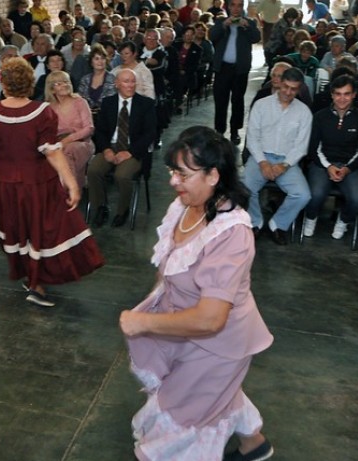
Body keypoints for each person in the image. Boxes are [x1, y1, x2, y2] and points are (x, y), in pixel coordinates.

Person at [120, 126, 274, 461]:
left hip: (218, 343)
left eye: (183, 174)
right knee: (212, 392)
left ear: (214, 175)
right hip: (185, 329)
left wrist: (143, 323)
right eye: (172, 171)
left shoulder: (231, 233)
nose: (174, 182)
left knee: (184, 410)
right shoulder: (184, 206)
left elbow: (210, 319)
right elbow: (169, 269)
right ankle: (254, 444)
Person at [0, 58, 104, 307]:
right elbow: (52, 152)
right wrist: (72, 183)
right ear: (29, 83)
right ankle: (36, 285)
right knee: (40, 230)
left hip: (5, 184)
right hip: (37, 184)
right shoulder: (41, 112)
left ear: (3, 83)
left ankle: (31, 278)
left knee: (18, 229)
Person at [243, 67, 312, 245]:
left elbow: (301, 146)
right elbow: (252, 137)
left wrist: (284, 165)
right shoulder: (261, 105)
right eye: (286, 87)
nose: (288, 92)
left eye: (293, 89)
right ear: (280, 83)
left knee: (303, 194)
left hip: (287, 161)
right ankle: (255, 221)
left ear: (299, 89)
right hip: (261, 157)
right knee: (244, 188)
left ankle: (278, 224)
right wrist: (263, 162)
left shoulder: (304, 112)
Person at [87, 68, 158, 228]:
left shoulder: (146, 104)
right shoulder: (108, 103)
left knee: (122, 175)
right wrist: (106, 149)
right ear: (117, 84)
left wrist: (130, 152)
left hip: (134, 150)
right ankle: (100, 207)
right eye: (126, 81)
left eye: (133, 81)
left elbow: (150, 134)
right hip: (111, 146)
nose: (131, 85)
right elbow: (100, 131)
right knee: (93, 170)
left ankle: (123, 210)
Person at [303, 75, 358, 240]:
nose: (342, 98)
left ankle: (344, 220)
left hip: (349, 166)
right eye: (338, 94)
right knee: (315, 194)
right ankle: (310, 217)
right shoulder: (319, 116)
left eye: (346, 94)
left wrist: (347, 169)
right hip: (322, 163)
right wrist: (328, 166)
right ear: (332, 94)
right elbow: (313, 148)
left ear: (354, 94)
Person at [209, 0, 260, 145]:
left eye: (239, 5)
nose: (236, 8)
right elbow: (212, 36)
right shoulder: (220, 21)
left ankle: (235, 131)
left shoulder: (249, 23)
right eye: (233, 5)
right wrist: (225, 25)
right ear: (228, 7)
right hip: (223, 68)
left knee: (238, 101)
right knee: (220, 101)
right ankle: (219, 131)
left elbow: (256, 38)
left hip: (240, 69)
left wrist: (247, 26)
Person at [45, 70, 96, 190]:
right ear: (52, 89)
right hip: (57, 144)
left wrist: (66, 140)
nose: (64, 84)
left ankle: (68, 194)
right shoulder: (48, 107)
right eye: (59, 83)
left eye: (66, 81)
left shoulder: (80, 102)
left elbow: (89, 128)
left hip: (82, 142)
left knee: (68, 151)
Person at [78, 44, 117, 114]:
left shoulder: (112, 79)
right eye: (96, 59)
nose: (100, 61)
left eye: (103, 58)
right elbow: (80, 100)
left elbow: (111, 102)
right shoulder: (84, 79)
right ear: (91, 62)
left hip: (106, 116)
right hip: (86, 116)